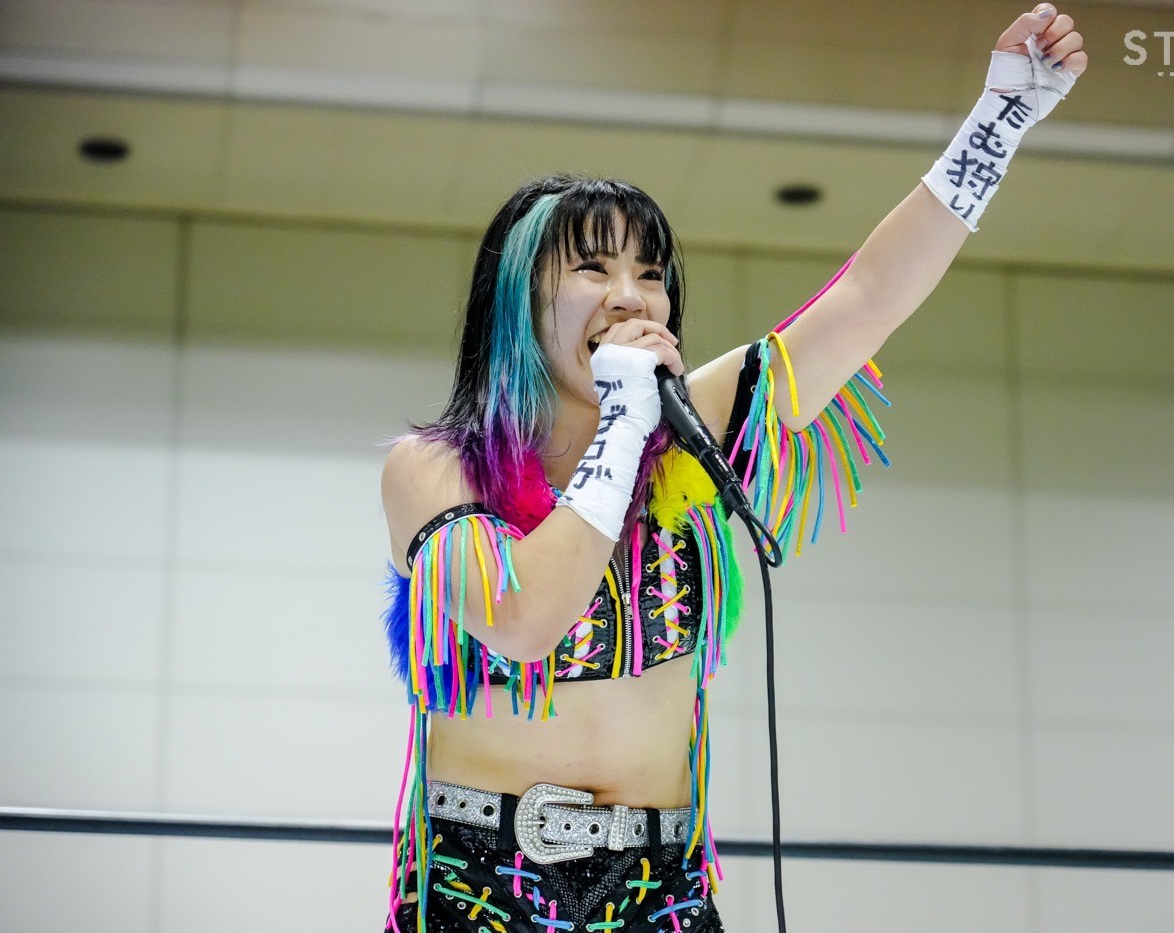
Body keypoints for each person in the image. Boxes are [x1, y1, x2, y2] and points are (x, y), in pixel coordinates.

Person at [380, 6, 1087, 931]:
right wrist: (624, 424)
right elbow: (523, 620)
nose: (631, 296)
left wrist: (999, 119)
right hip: (477, 882)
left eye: (650, 273)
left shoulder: (695, 429)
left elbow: (869, 296)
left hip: (661, 885)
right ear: (519, 299)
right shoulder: (434, 469)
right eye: (592, 267)